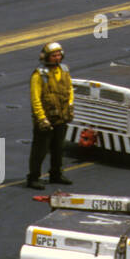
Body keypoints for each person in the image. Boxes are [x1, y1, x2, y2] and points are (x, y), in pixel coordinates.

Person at [27, 41, 74, 189]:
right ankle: (33, 178)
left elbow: (70, 90)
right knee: (39, 151)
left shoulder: (64, 70)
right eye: (54, 55)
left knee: (58, 149)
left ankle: (56, 174)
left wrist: (70, 106)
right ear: (46, 57)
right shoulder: (39, 75)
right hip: (46, 119)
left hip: (61, 117)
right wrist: (41, 118)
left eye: (59, 54)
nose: (57, 58)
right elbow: (35, 98)